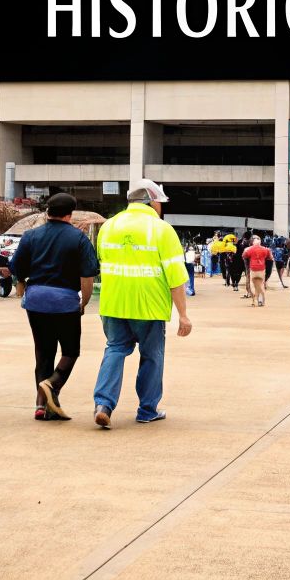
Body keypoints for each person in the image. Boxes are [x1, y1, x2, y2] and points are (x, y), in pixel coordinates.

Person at [92, 179, 192, 427]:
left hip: (113, 304)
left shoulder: (109, 226)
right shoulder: (161, 229)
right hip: (149, 306)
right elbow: (176, 276)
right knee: (152, 357)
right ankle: (147, 410)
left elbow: (102, 261)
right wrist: (183, 314)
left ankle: (103, 404)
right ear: (154, 203)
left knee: (114, 350)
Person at [9, 193, 98, 421]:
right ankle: (52, 383)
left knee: (43, 352)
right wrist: (84, 302)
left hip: (36, 299)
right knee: (70, 351)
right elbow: (87, 276)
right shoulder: (78, 238)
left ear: (47, 212)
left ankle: (41, 405)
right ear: (70, 214)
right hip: (64, 301)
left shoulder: (31, 235)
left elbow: (17, 266)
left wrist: (21, 284)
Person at [242, 234, 271, 307]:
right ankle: (261, 300)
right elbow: (270, 258)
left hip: (252, 269)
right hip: (261, 269)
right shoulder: (265, 249)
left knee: (252, 284)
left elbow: (244, 256)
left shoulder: (248, 249)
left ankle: (253, 300)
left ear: (252, 242)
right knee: (261, 285)